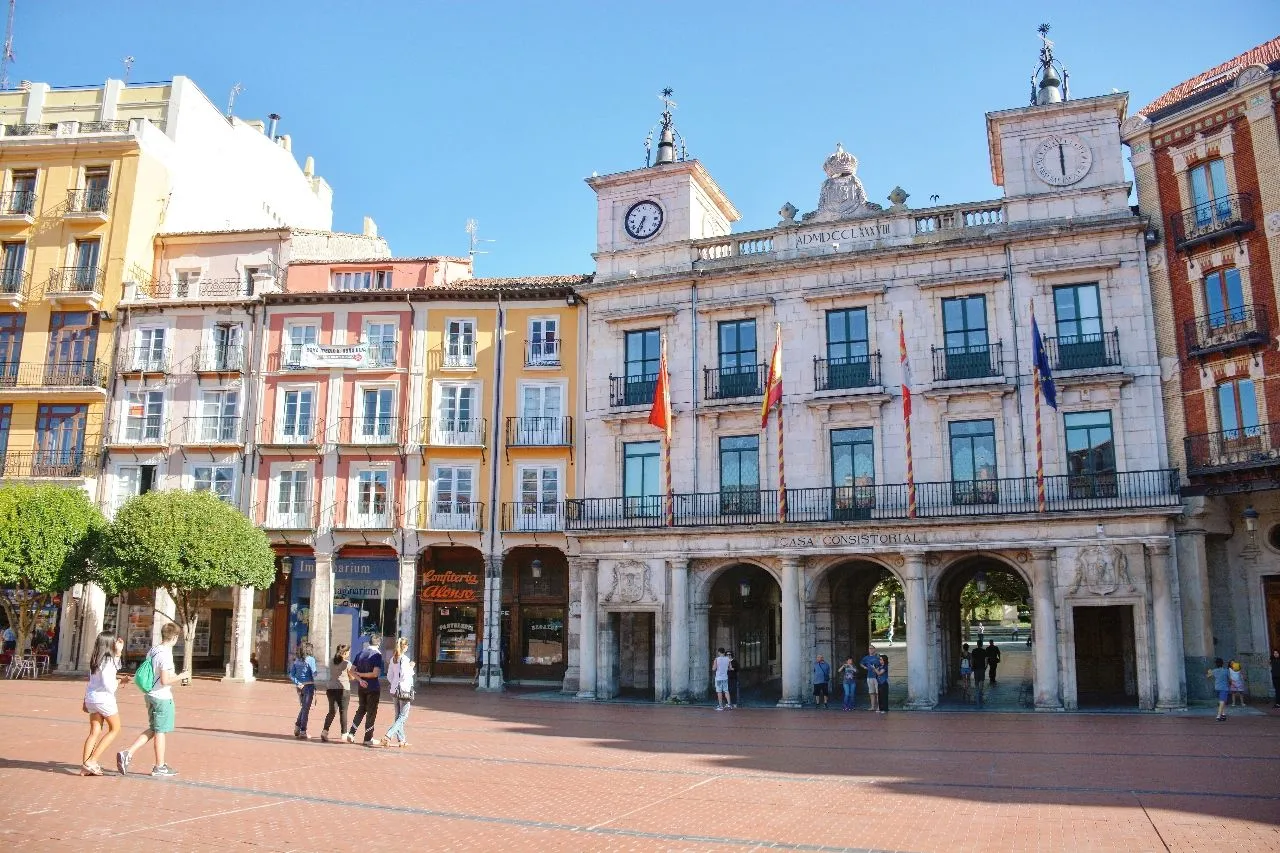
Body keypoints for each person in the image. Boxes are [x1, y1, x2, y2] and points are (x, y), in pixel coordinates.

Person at [117, 622, 190, 778]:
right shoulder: (166, 654)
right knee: (160, 731)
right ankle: (159, 766)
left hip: (150, 694)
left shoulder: (154, 650)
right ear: (175, 637)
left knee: (154, 728)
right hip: (161, 697)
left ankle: (127, 753)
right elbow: (165, 680)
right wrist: (181, 677)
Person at [81, 632, 125, 776]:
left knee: (94, 732)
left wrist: (118, 653)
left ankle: (85, 766)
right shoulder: (107, 661)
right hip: (104, 699)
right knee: (115, 728)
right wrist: (119, 681)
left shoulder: (96, 659)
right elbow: (109, 685)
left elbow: (95, 680)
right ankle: (92, 761)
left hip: (92, 698)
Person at [348, 634, 384, 745]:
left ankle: (351, 732)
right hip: (372, 687)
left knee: (361, 709)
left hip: (361, 687)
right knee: (371, 712)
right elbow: (375, 673)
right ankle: (368, 738)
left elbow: (351, 670)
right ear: (379, 643)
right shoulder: (377, 655)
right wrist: (362, 675)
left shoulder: (360, 653)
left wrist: (360, 679)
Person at [380, 637, 416, 748]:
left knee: (398, 716)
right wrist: (411, 667)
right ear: (404, 646)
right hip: (404, 689)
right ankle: (388, 735)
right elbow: (405, 675)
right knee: (403, 716)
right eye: (407, 645)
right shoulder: (404, 659)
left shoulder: (393, 659)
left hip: (394, 689)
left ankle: (402, 740)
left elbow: (389, 676)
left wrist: (395, 682)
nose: (408, 647)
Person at [322, 644, 354, 743]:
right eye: (348, 652)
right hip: (343, 689)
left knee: (332, 711)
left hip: (331, 688)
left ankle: (325, 731)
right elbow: (352, 677)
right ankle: (344, 733)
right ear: (344, 653)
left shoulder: (331, 661)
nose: (349, 653)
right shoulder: (347, 663)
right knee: (343, 711)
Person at [289, 641, 317, 739]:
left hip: (300, 687)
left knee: (304, 707)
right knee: (306, 709)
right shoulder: (311, 659)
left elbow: (291, 674)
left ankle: (297, 726)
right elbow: (314, 673)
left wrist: (298, 683)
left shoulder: (296, 660)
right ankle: (303, 731)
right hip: (309, 686)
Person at [860, 645, 881, 712]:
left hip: (877, 677)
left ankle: (879, 707)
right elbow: (861, 663)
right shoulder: (866, 657)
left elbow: (882, 664)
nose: (871, 649)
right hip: (869, 677)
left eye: (872, 648)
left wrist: (878, 668)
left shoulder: (878, 657)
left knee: (878, 693)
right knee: (871, 692)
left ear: (874, 649)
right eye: (869, 648)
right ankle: (872, 707)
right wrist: (864, 667)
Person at [970, 640, 988, 708]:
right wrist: (986, 666)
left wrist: (972, 665)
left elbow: (972, 659)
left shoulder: (974, 651)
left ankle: (977, 689)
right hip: (982, 667)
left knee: (976, 679)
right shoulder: (984, 651)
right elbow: (986, 659)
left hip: (976, 667)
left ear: (977, 644)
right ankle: (981, 690)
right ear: (982, 644)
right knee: (982, 679)